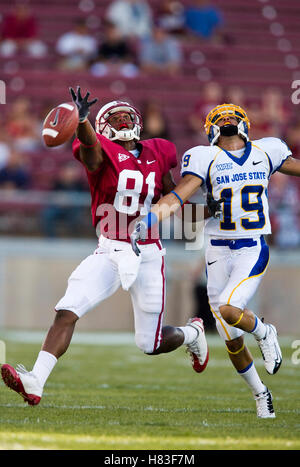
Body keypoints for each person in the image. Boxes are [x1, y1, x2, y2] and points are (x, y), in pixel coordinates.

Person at [1, 87, 209, 406]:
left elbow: (174, 199)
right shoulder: (100, 150)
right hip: (111, 249)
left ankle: (193, 334)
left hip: (150, 254)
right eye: (115, 117)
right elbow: (91, 150)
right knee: (67, 310)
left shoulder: (160, 149)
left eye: (127, 115)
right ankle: (35, 381)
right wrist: (82, 121)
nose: (123, 120)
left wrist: (211, 209)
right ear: (103, 127)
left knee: (150, 343)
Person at [130, 102, 300, 418]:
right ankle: (261, 394)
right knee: (231, 339)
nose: (228, 121)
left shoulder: (267, 151)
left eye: (233, 116)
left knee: (228, 308)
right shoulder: (205, 157)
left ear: (244, 123)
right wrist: (149, 220)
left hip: (251, 247)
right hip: (218, 249)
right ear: (211, 129)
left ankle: (265, 332)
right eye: (221, 118)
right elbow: (178, 196)